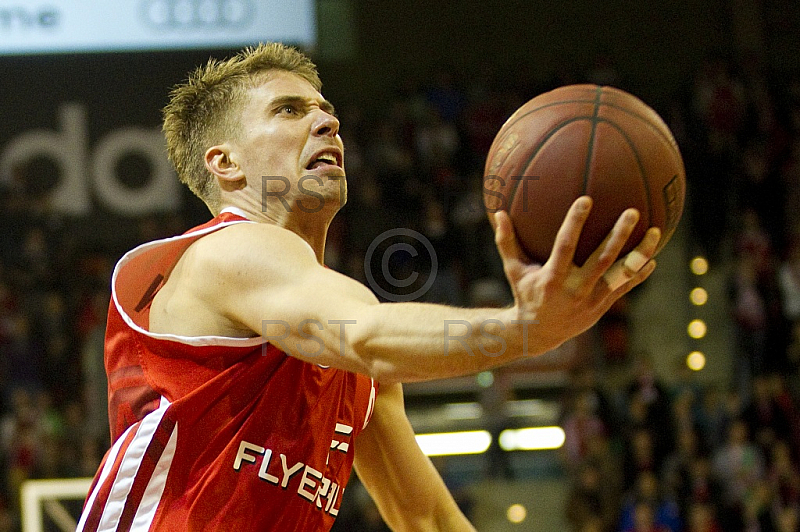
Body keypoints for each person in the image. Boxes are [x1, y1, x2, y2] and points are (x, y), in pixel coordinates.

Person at [77, 42, 661, 531]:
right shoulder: (224, 252)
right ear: (226, 163)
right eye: (287, 111)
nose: (327, 121)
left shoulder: (346, 346)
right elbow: (370, 336)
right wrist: (523, 329)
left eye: (324, 108)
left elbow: (425, 517)